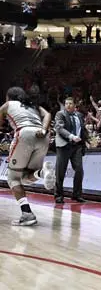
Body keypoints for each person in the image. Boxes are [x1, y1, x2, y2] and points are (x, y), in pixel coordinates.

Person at [0, 87, 54, 226]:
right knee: (25, 177)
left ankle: (27, 214)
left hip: (24, 134)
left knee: (13, 178)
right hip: (43, 135)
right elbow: (48, 114)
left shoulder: (7, 105)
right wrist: (43, 129)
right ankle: (43, 172)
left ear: (9, 97)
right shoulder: (33, 105)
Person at [54, 97, 89, 204]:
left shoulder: (79, 115)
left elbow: (82, 130)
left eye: (70, 103)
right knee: (60, 171)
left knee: (79, 170)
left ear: (75, 105)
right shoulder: (60, 114)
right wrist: (71, 136)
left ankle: (77, 195)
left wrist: (86, 141)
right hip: (64, 145)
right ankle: (58, 195)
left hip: (77, 146)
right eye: (66, 103)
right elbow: (59, 128)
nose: (68, 105)